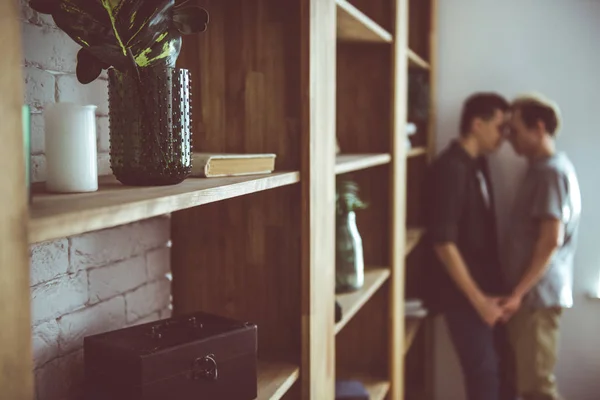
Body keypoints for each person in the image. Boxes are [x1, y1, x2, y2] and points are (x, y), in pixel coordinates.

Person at [426, 92, 514, 400]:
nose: (504, 137)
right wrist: (479, 302)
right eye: (500, 127)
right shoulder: (451, 167)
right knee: (484, 380)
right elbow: (443, 242)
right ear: (477, 124)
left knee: (499, 377)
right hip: (463, 297)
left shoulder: (478, 165)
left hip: (488, 293)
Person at [502, 93, 581, 400]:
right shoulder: (543, 169)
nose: (509, 139)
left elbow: (550, 240)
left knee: (537, 389)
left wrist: (518, 294)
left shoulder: (551, 172)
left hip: (536, 299)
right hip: (531, 298)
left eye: (515, 130)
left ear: (538, 128)